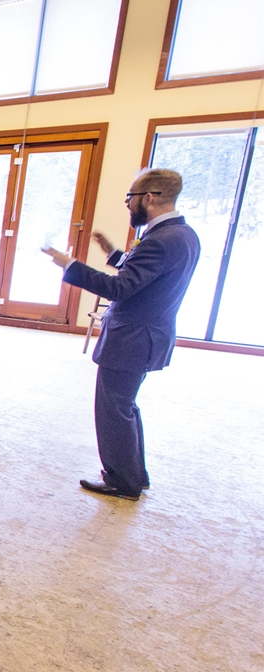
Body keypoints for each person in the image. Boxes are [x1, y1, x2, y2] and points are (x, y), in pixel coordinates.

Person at [42, 169, 200, 501]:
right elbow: (147, 275)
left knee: (114, 409)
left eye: (130, 198)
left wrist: (70, 265)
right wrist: (115, 255)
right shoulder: (183, 234)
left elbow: (121, 288)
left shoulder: (159, 240)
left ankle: (123, 481)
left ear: (150, 197)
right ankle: (134, 474)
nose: (128, 205)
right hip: (148, 336)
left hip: (132, 339)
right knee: (125, 406)